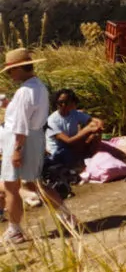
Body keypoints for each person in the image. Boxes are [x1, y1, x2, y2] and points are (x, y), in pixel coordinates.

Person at [1, 49, 78, 242]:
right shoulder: (38, 87)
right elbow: (29, 115)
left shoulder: (25, 92)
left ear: (18, 69)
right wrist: (10, 105)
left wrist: (17, 150)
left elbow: (20, 124)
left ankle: (15, 229)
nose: (10, 75)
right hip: (34, 138)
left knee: (12, 186)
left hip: (21, 139)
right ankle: (66, 216)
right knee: (34, 183)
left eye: (10, 71)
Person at [47, 89, 126, 166]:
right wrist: (88, 130)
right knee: (122, 150)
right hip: (63, 153)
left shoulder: (74, 113)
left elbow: (93, 120)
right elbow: (67, 142)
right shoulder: (52, 120)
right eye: (60, 103)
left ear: (72, 103)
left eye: (66, 102)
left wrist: (98, 124)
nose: (63, 105)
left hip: (79, 146)